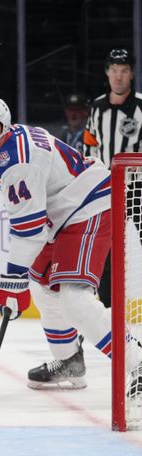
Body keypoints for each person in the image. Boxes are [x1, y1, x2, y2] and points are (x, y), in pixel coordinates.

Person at [0, 97, 142, 392]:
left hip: (89, 206)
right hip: (63, 214)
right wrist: (18, 277)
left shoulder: (16, 159)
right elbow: (32, 220)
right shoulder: (11, 144)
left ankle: (137, 362)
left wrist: (11, 278)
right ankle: (68, 360)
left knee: (75, 300)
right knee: (43, 288)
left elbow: (29, 228)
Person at [84, 49, 142, 307]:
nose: (118, 77)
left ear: (131, 74)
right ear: (107, 73)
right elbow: (89, 147)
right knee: (105, 247)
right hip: (106, 190)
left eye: (124, 71)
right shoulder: (97, 109)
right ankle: (107, 306)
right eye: (114, 71)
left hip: (139, 189)